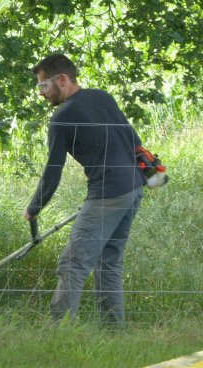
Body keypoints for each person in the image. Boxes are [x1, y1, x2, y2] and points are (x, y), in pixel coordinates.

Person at [23, 54, 145, 325]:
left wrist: (34, 207)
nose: (42, 93)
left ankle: (58, 333)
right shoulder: (101, 97)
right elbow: (133, 139)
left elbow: (53, 170)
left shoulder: (62, 118)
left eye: (43, 86)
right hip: (134, 187)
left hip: (109, 194)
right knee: (108, 263)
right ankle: (114, 332)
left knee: (73, 263)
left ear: (62, 80)